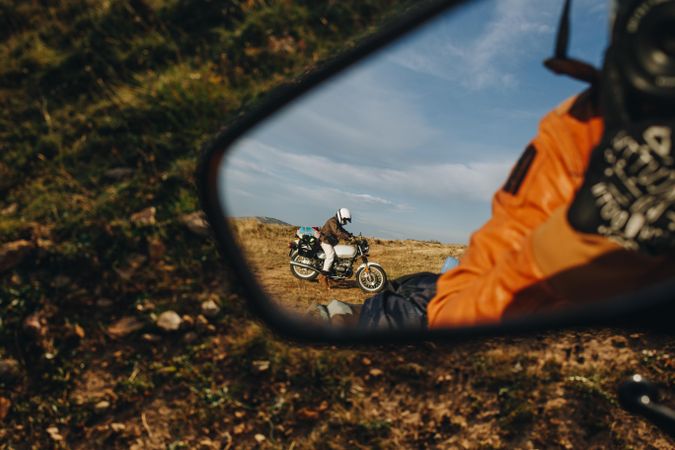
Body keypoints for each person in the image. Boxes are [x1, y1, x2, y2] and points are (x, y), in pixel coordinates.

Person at [315, 0, 675, 329]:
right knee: (353, 263)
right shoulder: (576, 135)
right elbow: (453, 308)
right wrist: (562, 254)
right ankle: (325, 279)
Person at [318, 208, 353, 289]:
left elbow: (342, 230)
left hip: (330, 242)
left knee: (337, 258)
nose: (345, 222)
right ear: (341, 216)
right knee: (330, 256)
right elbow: (337, 232)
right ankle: (322, 277)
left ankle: (332, 277)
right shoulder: (332, 221)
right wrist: (347, 237)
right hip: (325, 241)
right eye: (345, 219)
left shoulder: (337, 222)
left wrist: (350, 235)